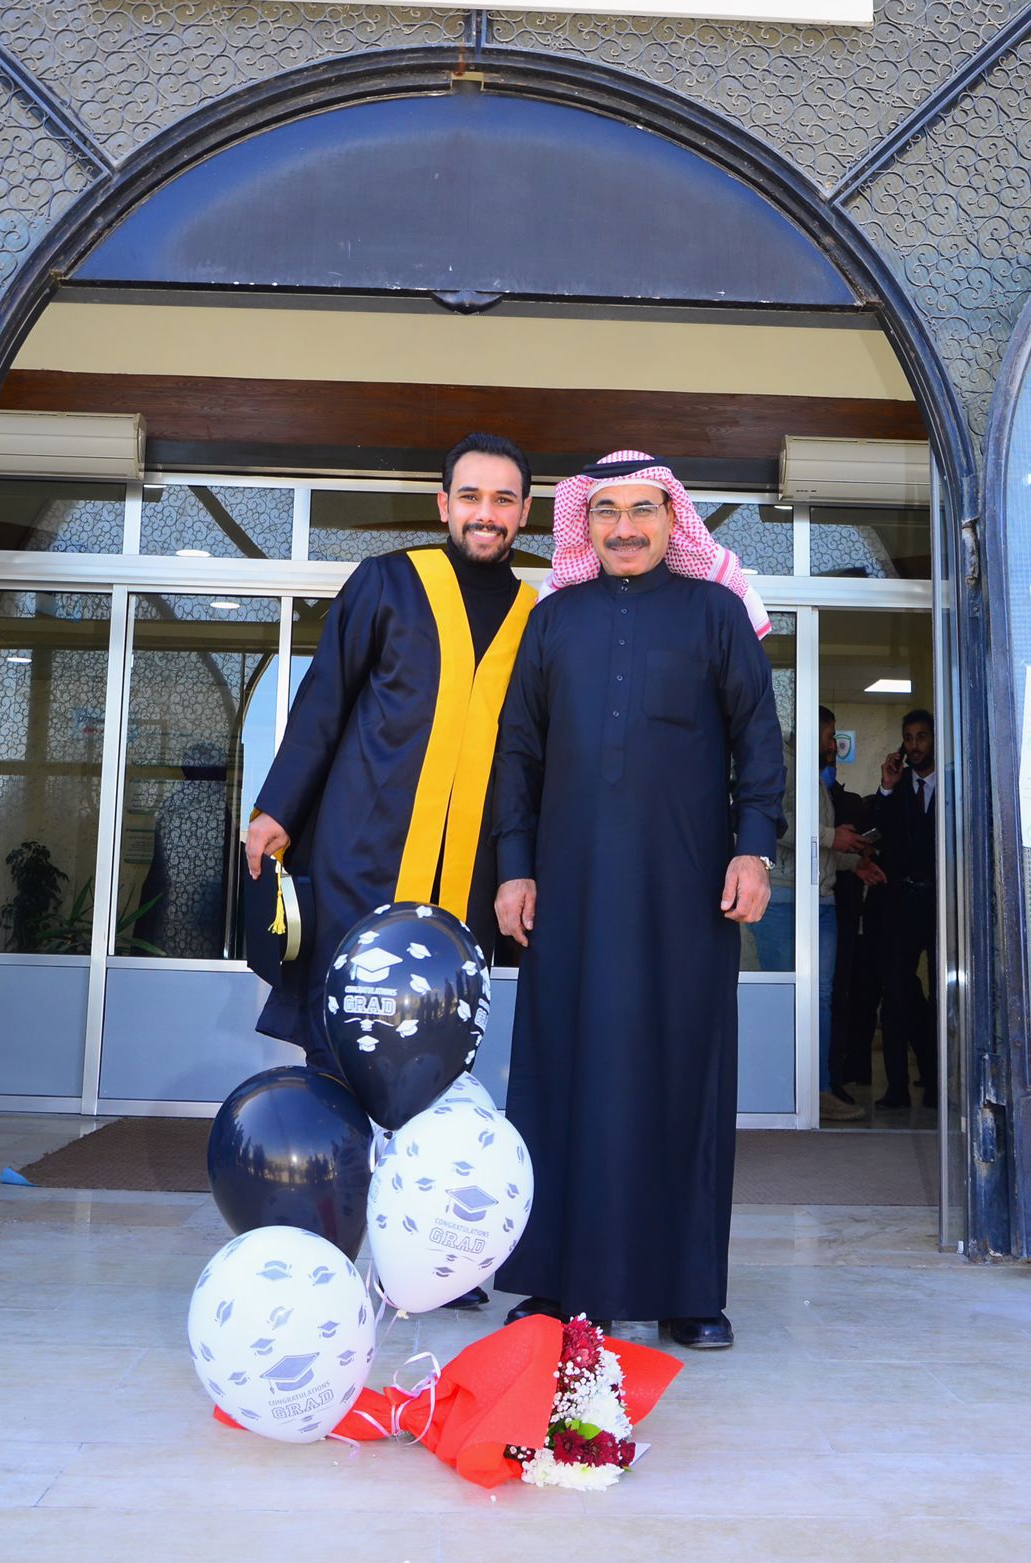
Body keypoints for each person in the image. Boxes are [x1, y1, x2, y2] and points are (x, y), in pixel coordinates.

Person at [491, 449, 785, 1350]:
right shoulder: (554, 620)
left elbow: (758, 742)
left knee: (683, 1076)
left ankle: (688, 1292)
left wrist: (753, 851)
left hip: (685, 894)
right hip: (569, 893)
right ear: (583, 525)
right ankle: (558, 1283)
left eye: (643, 511)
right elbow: (518, 752)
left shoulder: (715, 614)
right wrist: (514, 866)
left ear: (672, 520)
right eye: (606, 512)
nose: (624, 529)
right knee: (561, 1073)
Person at [245, 432, 537, 1308]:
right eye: (471, 496)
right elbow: (324, 702)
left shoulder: (538, 615)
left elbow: (531, 761)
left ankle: (432, 1253)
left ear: (525, 513)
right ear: (443, 504)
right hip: (362, 863)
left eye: (504, 499)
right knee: (343, 1054)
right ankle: (332, 1241)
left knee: (441, 1067)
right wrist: (276, 809)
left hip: (465, 885)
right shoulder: (388, 583)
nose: (486, 513)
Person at [752, 707, 883, 1122]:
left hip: (820, 901)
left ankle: (817, 1091)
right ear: (810, 731)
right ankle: (778, 1090)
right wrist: (831, 836)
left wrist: (852, 862)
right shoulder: (779, 762)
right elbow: (772, 822)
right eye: (829, 736)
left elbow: (816, 848)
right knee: (783, 995)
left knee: (819, 998)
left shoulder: (814, 775)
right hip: (783, 901)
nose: (833, 746)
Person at [873, 708, 938, 1110]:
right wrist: (885, 786)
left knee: (943, 994)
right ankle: (896, 1087)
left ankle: (935, 1083)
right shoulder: (896, 787)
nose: (914, 746)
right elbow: (877, 832)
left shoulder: (953, 785)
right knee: (896, 994)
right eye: (909, 738)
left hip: (941, 905)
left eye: (922, 737)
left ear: (935, 740)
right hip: (901, 905)